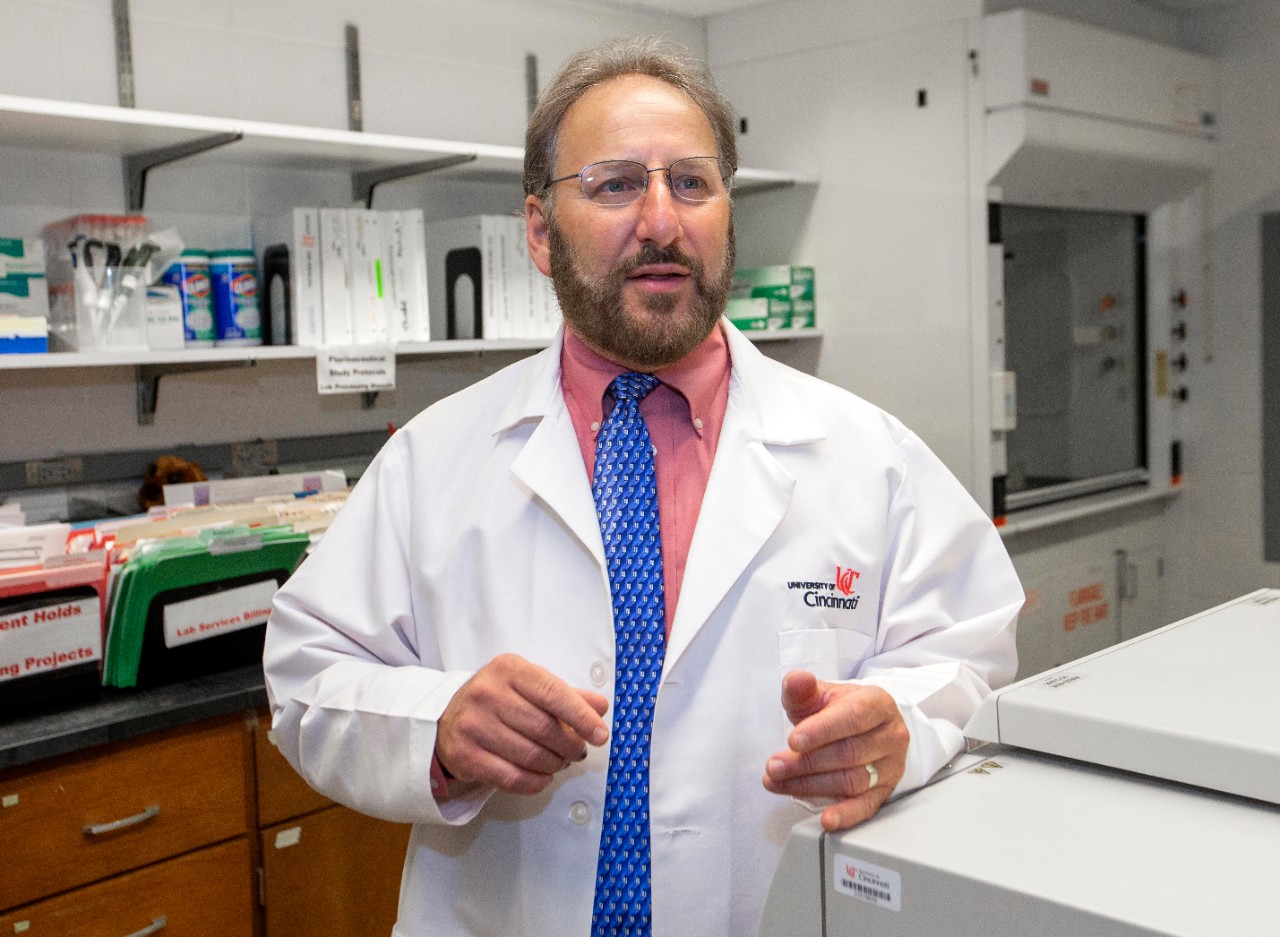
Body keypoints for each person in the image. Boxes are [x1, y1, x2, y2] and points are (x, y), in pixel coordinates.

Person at [263, 35, 1023, 937]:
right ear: (541, 232)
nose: (662, 220)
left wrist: (901, 721)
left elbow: (971, 652)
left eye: (692, 183)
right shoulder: (434, 460)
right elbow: (308, 680)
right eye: (617, 183)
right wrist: (438, 723)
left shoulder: (869, 455)